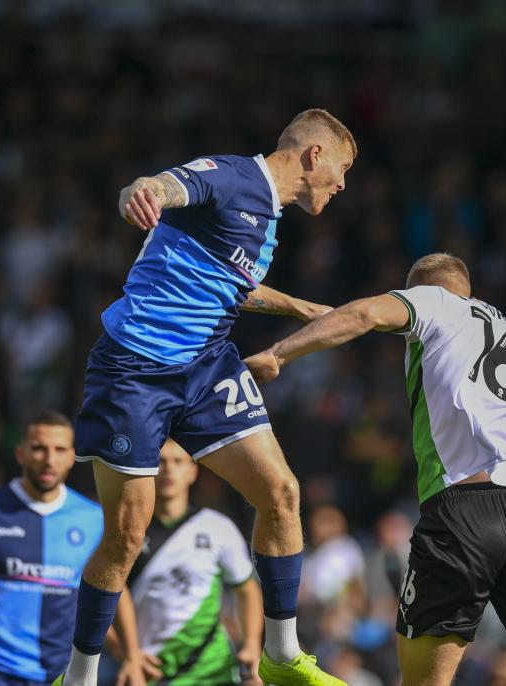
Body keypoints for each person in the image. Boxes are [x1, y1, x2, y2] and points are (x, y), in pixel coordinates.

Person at [59, 109, 356, 686]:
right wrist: (139, 192)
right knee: (126, 536)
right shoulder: (234, 176)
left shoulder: (266, 217)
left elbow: (227, 283)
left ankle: (282, 655)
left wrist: (304, 309)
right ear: (315, 155)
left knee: (282, 493)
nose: (342, 186)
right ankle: (80, 675)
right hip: (134, 370)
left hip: (205, 364)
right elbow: (165, 186)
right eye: (342, 170)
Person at [246, 253, 506, 686]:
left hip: (460, 512)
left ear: (421, 289)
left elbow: (362, 313)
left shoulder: (432, 303)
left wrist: (278, 353)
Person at [0, 411, 141, 686]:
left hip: (62, 675)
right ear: (20, 453)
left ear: (72, 456)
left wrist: (130, 655)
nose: (49, 459)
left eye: (59, 450)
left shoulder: (93, 518)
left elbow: (112, 586)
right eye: (39, 448)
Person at [108, 438, 264, 684]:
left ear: (193, 472)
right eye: (160, 462)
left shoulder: (217, 527)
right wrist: (126, 653)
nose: (169, 469)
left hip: (214, 671)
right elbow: (98, 596)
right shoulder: (125, 533)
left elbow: (247, 589)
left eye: (178, 462)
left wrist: (252, 645)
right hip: (151, 673)